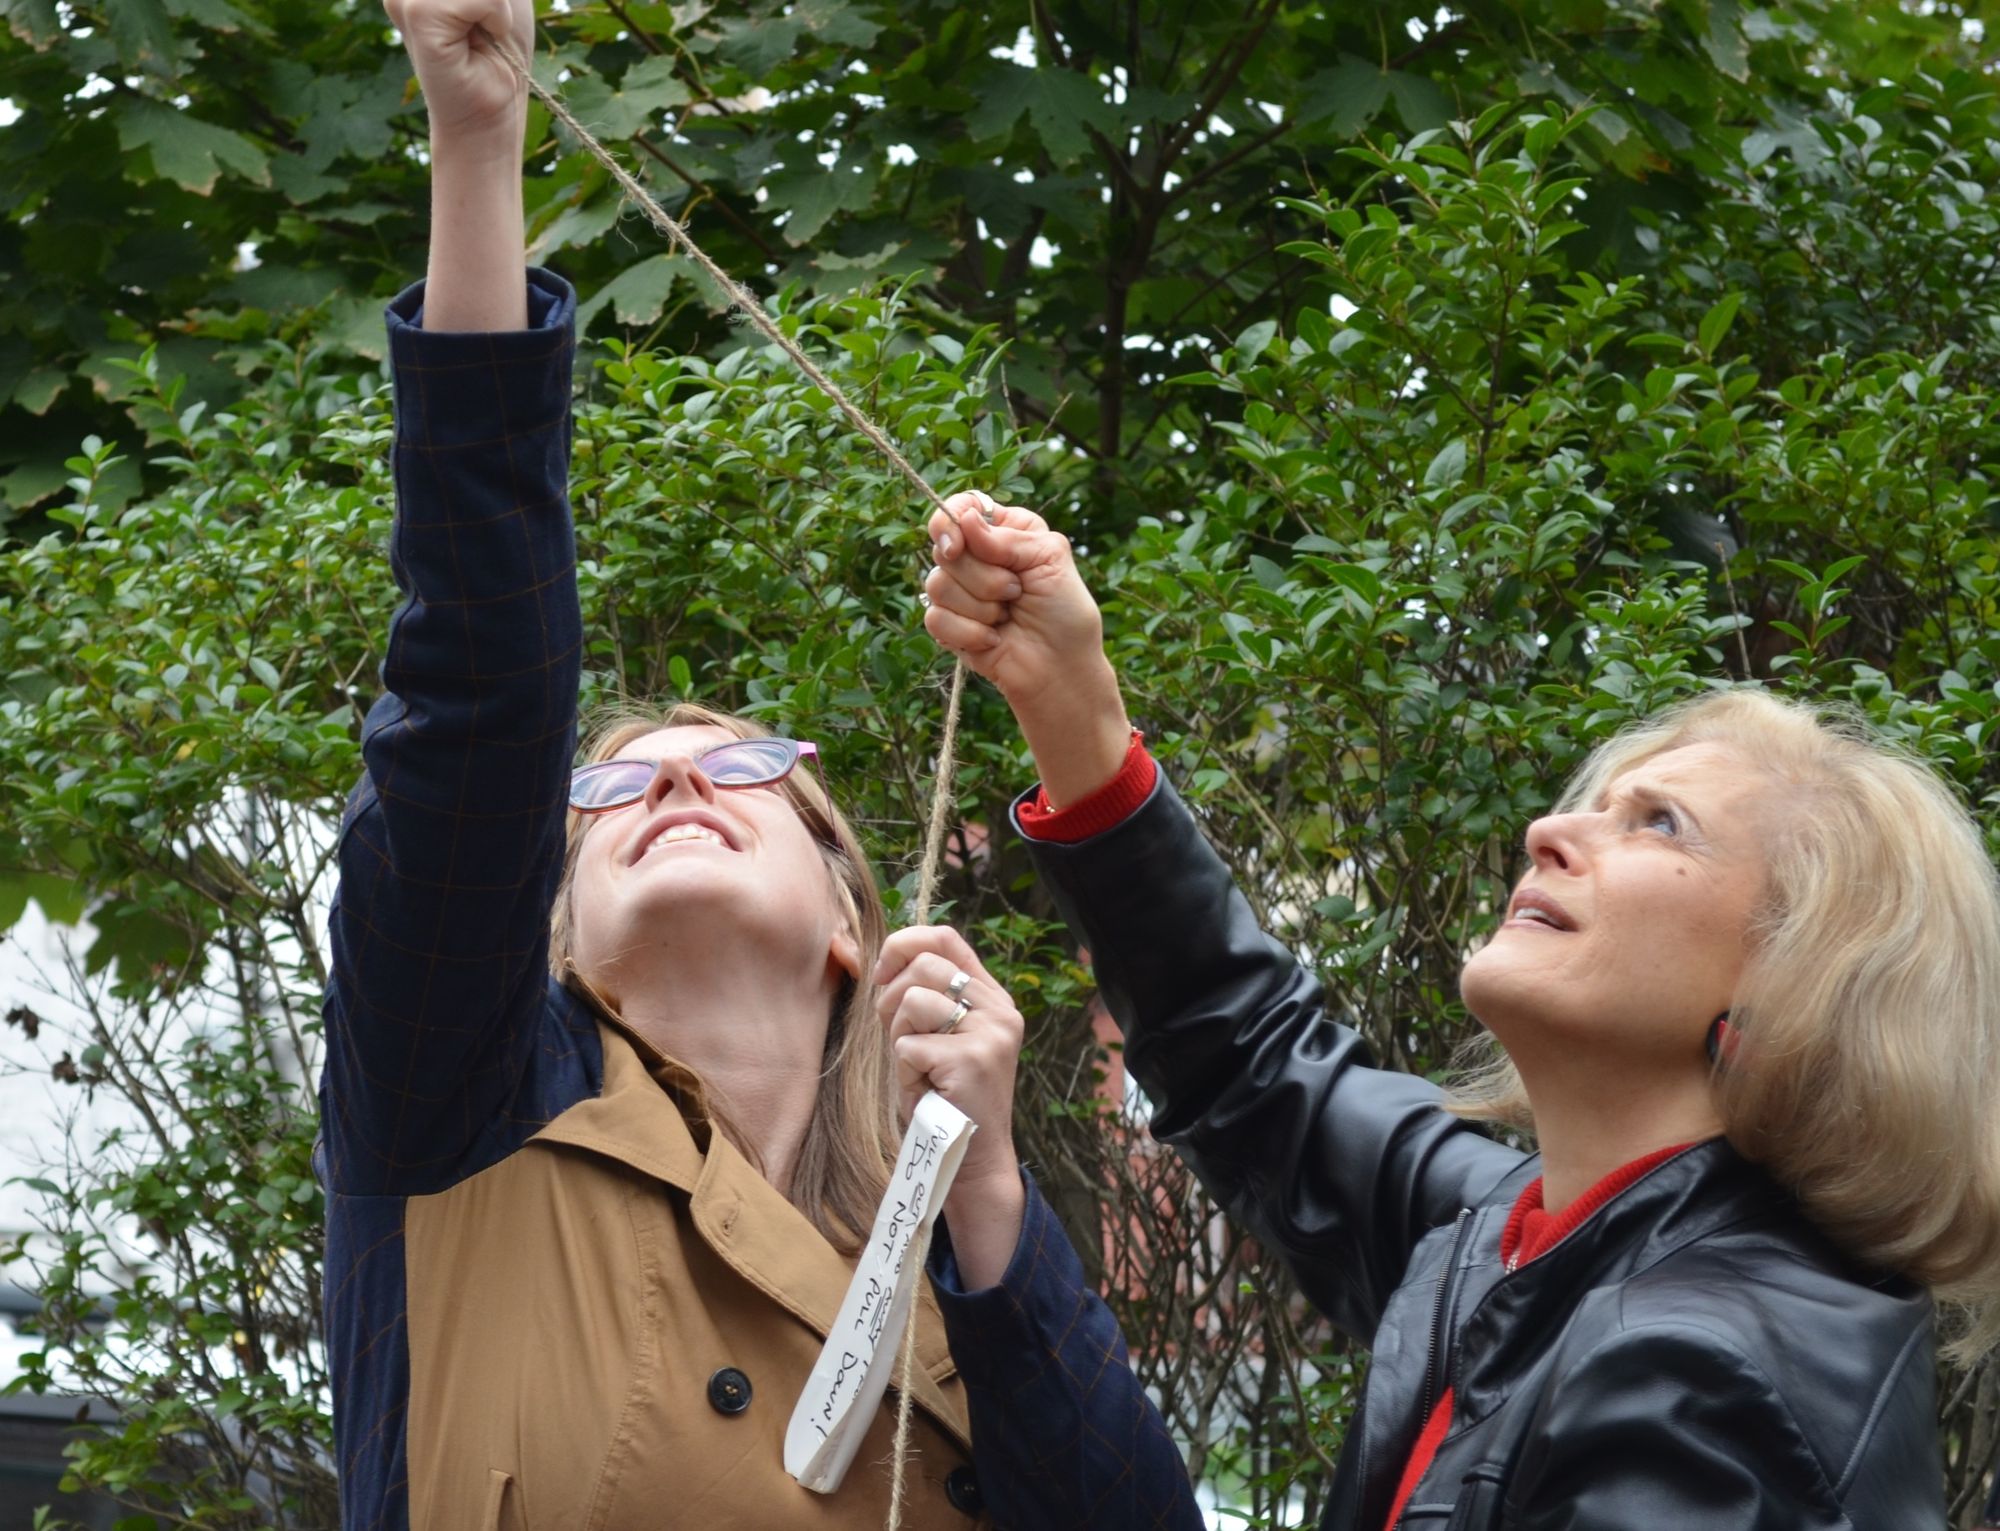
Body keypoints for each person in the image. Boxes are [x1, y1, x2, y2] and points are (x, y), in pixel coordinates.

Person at [319, 5, 1197, 1528]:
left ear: (852, 914)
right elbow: (476, 689)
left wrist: (985, 1185)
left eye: (738, 769)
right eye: (610, 791)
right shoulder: (462, 1107)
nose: (669, 784)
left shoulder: (961, 1261)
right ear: (558, 933)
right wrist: (475, 144)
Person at [916, 489, 2000, 1528]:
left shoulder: (1700, 1379)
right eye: (1593, 805)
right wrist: (1065, 696)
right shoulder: (1528, 1241)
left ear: (1800, 976)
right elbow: (1251, 1060)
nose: (1548, 831)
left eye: (1659, 824)